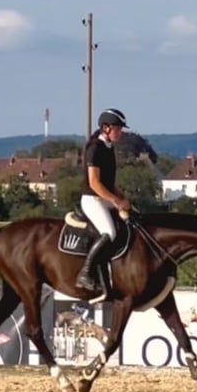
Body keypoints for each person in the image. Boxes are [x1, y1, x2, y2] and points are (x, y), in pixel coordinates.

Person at [75, 108, 132, 296]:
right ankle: (85, 273)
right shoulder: (95, 148)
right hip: (92, 199)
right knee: (110, 232)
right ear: (106, 128)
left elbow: (110, 182)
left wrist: (123, 198)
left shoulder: (109, 148)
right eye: (118, 128)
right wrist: (116, 201)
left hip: (104, 197)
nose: (121, 132)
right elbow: (94, 183)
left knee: (132, 221)